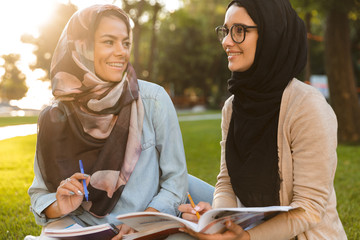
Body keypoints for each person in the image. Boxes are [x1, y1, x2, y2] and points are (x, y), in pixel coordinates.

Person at [179, 0, 347, 239]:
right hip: (245, 228)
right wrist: (217, 219)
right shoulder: (233, 107)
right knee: (178, 188)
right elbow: (226, 181)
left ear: (271, 35)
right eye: (226, 31)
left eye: (239, 31)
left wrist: (245, 237)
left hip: (296, 235)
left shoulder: (307, 106)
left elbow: (308, 210)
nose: (227, 41)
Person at [27, 4, 188, 240]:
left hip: (145, 227)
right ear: (81, 47)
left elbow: (175, 181)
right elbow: (40, 195)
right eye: (108, 42)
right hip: (81, 229)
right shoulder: (54, 117)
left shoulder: (152, 100)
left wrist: (144, 223)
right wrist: (60, 204)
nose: (121, 52)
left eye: (125, 43)